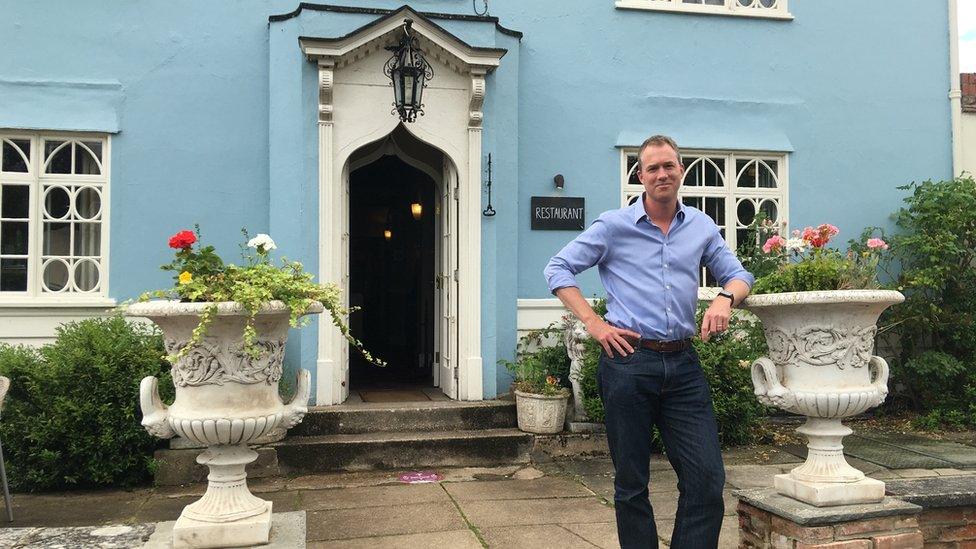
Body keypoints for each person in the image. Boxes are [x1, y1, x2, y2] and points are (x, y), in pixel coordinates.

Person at [544, 135, 754, 548]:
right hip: (627, 363)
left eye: (669, 166)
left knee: (707, 479)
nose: (662, 174)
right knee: (631, 483)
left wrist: (726, 300)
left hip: (683, 365)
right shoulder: (613, 226)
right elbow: (558, 268)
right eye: (652, 168)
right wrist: (595, 324)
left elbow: (739, 274)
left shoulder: (701, 226)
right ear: (640, 176)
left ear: (682, 171)